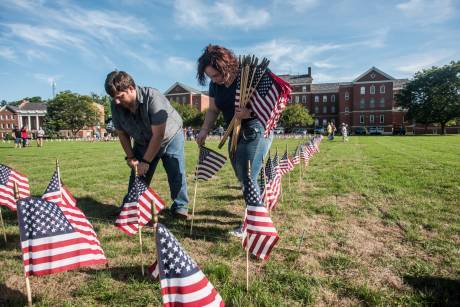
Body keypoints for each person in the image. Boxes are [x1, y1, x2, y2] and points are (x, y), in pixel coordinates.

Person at [195, 44, 273, 236]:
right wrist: (205, 130)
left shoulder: (249, 76)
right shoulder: (215, 86)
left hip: (255, 128)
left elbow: (270, 105)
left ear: (227, 65)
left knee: (247, 176)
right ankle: (258, 208)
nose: (214, 80)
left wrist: (250, 112)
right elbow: (213, 110)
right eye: (211, 76)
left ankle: (254, 226)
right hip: (234, 132)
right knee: (242, 176)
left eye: (217, 75)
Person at [105, 71, 189, 219]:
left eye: (120, 96)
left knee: (175, 171)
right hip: (142, 140)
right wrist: (131, 157)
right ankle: (131, 205)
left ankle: (180, 207)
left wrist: (145, 161)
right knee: (138, 174)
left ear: (131, 88)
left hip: (170, 136)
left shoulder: (153, 97)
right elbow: (122, 134)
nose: (117, 101)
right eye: (114, 98)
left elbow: (158, 135)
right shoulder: (115, 105)